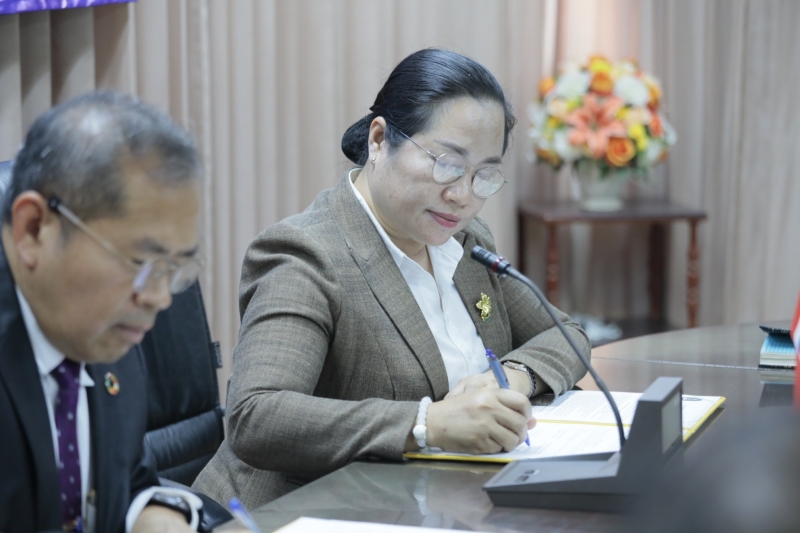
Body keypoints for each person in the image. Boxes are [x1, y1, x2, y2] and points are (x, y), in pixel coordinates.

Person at [194, 48, 590, 509]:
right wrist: (428, 424)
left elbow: (566, 335)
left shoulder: (467, 242)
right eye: (447, 163)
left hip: (438, 501)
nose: (462, 195)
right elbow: (256, 416)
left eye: (484, 174)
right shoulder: (307, 253)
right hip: (302, 511)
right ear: (380, 139)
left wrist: (513, 380)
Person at [0, 91, 206, 533]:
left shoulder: (102, 332)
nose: (159, 298)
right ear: (33, 229)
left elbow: (125, 480)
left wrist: (154, 517)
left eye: (174, 268)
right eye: (139, 261)